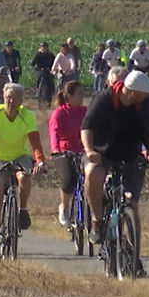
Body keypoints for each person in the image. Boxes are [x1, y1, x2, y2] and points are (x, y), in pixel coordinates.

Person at [81, 70, 149, 277]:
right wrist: (90, 151)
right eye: (143, 94)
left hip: (130, 155)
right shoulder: (104, 99)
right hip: (101, 154)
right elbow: (87, 127)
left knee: (132, 204)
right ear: (133, 93)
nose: (146, 98)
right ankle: (97, 220)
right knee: (93, 172)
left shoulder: (145, 104)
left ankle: (134, 256)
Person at [0, 83, 46, 259]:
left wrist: (39, 162)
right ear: (3, 97)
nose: (11, 102)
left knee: (24, 177)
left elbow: (35, 142)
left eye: (15, 99)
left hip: (19, 156)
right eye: (8, 97)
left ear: (21, 101)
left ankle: (22, 209)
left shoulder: (27, 116)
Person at [48, 81, 87, 227]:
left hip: (83, 151)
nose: (83, 97)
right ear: (69, 96)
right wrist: (55, 149)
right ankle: (64, 206)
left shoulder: (85, 111)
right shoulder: (60, 113)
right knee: (69, 178)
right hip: (65, 151)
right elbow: (54, 132)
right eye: (79, 94)